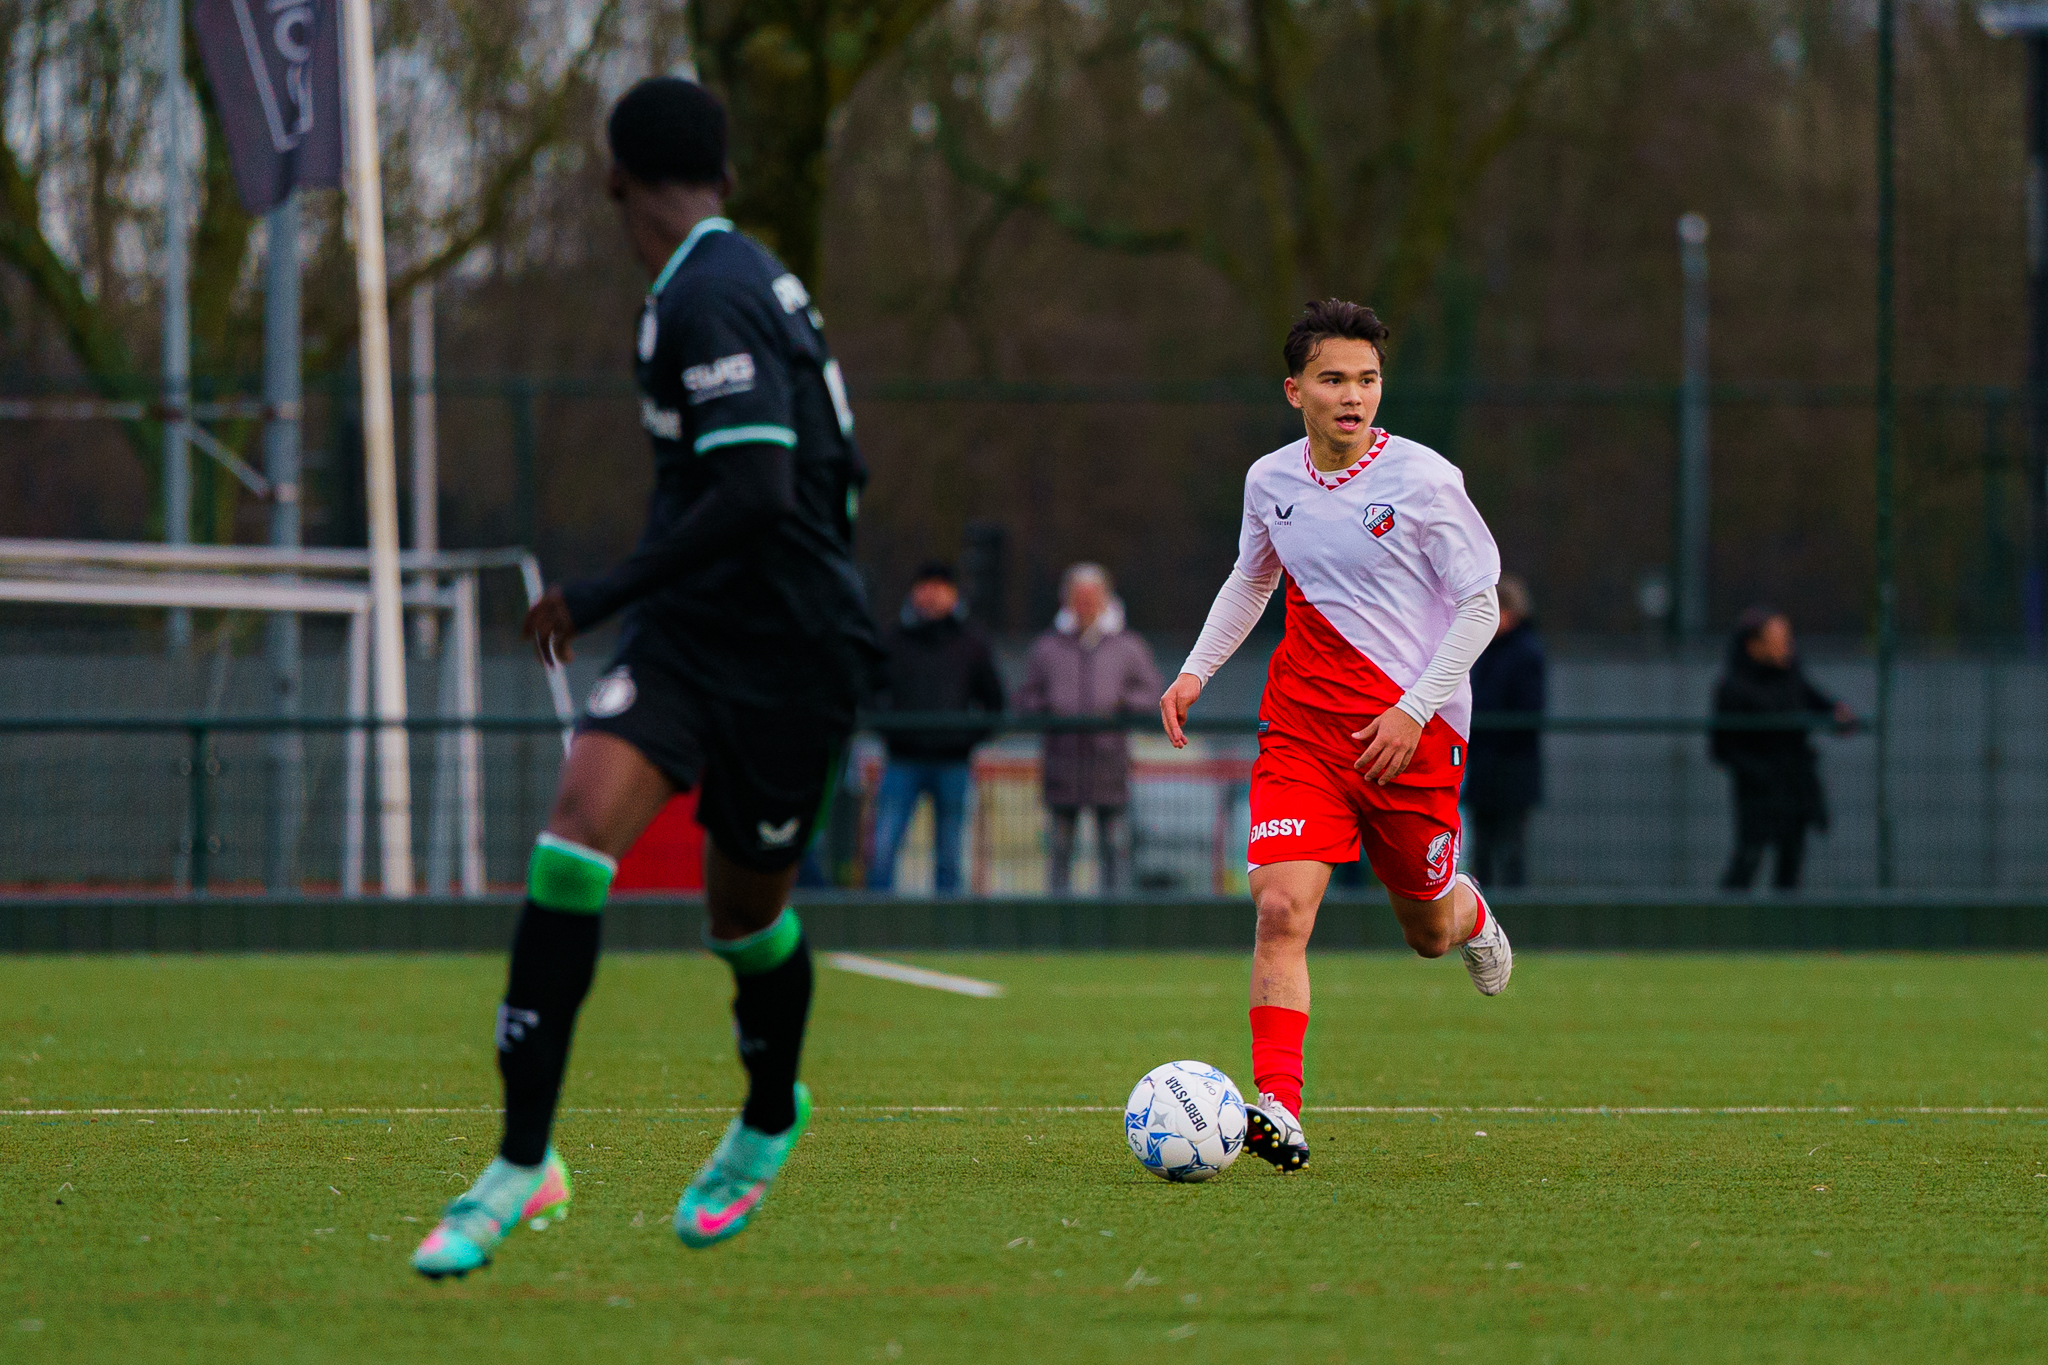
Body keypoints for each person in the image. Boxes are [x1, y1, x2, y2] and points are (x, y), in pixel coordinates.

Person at [412, 77, 881, 1278]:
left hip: (788, 649)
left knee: (744, 917)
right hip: (692, 640)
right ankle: (523, 1161)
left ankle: (770, 1113)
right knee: (574, 840)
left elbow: (759, 489)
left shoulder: (710, 295)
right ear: (720, 175)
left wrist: (599, 592)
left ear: (614, 177)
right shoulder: (720, 277)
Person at [1159, 299, 1511, 1175]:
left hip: (1414, 739)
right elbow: (1252, 579)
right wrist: (1196, 670)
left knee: (1425, 930)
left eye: (1367, 379)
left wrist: (1414, 708)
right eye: (1334, 380)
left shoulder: (1427, 481)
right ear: (1294, 391)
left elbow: (1481, 607)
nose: (1353, 396)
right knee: (1280, 909)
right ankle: (1276, 1103)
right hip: (1305, 732)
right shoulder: (1269, 482)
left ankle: (1468, 909)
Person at [1016, 563, 1162, 895]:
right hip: (1061, 768)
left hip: (1109, 768)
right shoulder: (1047, 648)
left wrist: (1120, 704)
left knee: (1113, 851)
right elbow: (1026, 696)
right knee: (1059, 851)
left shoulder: (1128, 647)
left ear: (1105, 599)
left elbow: (1151, 693)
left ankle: (1112, 931)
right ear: (1066, 600)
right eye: (1077, 597)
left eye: (1091, 597)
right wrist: (1051, 707)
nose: (1084, 604)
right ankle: (1058, 930)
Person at [867, 560, 1006, 894]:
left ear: (952, 593)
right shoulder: (893, 639)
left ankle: (946, 928)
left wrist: (965, 739)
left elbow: (995, 702)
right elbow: (868, 691)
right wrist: (892, 732)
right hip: (902, 760)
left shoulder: (972, 641)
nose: (931, 595)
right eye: (925, 586)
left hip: (953, 762)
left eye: (939, 587)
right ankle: (875, 919)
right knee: (883, 848)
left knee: (950, 853)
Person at [1712, 607, 1853, 891]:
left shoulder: (1791, 676)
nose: (1787, 646)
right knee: (1748, 859)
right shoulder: (1735, 689)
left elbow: (1820, 702)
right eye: (1778, 640)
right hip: (1758, 794)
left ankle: (1784, 931)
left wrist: (1839, 715)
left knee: (1791, 864)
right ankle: (1727, 928)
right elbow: (1722, 747)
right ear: (1754, 646)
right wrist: (1759, 773)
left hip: (1794, 788)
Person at [1464, 573, 1546, 886]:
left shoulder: (1526, 652)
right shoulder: (1488, 648)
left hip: (1511, 770)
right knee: (1482, 851)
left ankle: (1511, 919)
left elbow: (1527, 713)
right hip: (1486, 767)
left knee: (1510, 849)